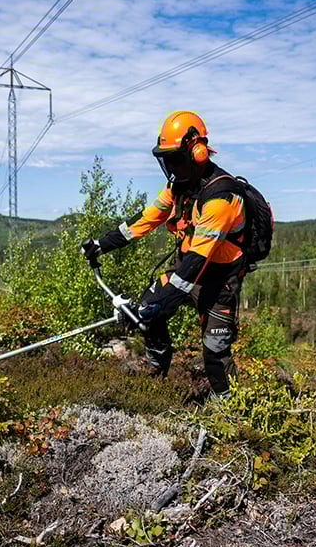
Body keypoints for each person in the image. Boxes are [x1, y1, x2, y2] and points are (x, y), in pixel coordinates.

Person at [81, 111, 248, 399]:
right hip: (187, 266)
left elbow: (196, 262)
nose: (170, 166)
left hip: (217, 280)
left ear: (197, 152)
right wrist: (103, 243)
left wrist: (161, 303)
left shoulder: (222, 197)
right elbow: (148, 217)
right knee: (148, 313)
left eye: (175, 158)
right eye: (166, 159)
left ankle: (231, 410)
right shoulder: (178, 185)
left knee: (215, 353)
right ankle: (154, 376)